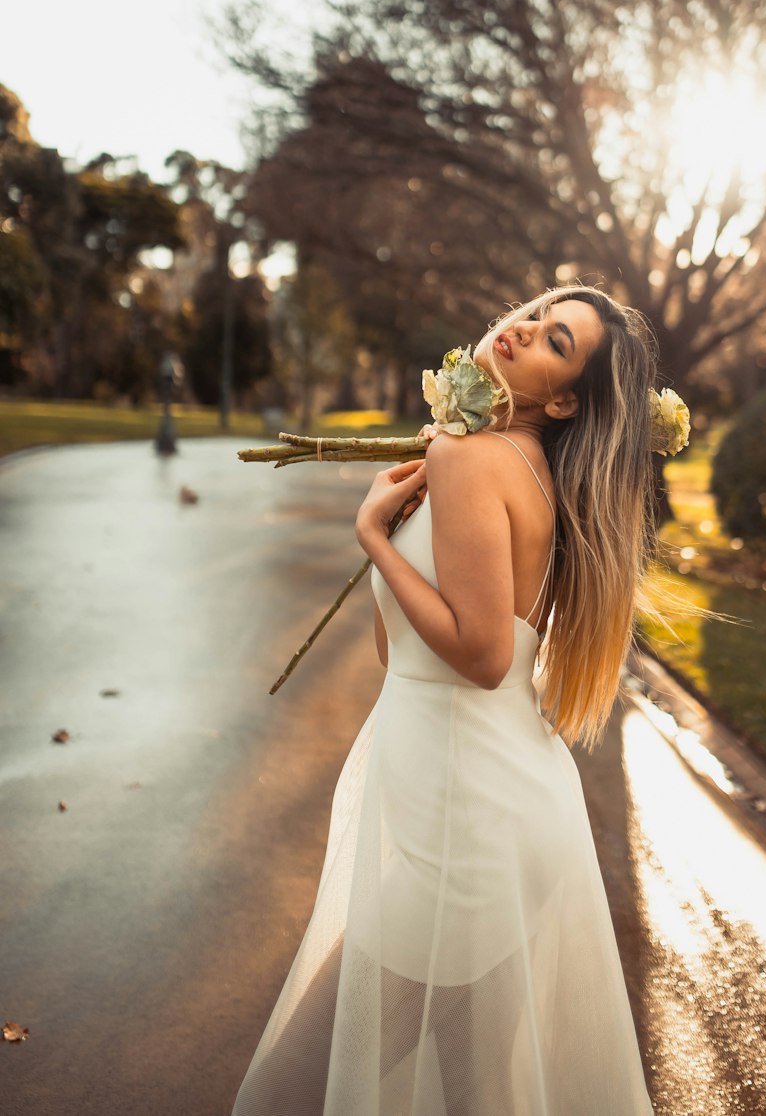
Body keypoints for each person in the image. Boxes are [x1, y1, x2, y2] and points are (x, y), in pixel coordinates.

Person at [231, 284, 659, 1115]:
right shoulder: (518, 466)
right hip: (509, 824)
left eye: (556, 341)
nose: (527, 326)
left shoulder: (470, 458)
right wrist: (398, 547)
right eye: (537, 312)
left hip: (469, 843)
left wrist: (368, 539)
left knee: (287, 1096)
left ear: (564, 397)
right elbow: (404, 655)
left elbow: (483, 655)